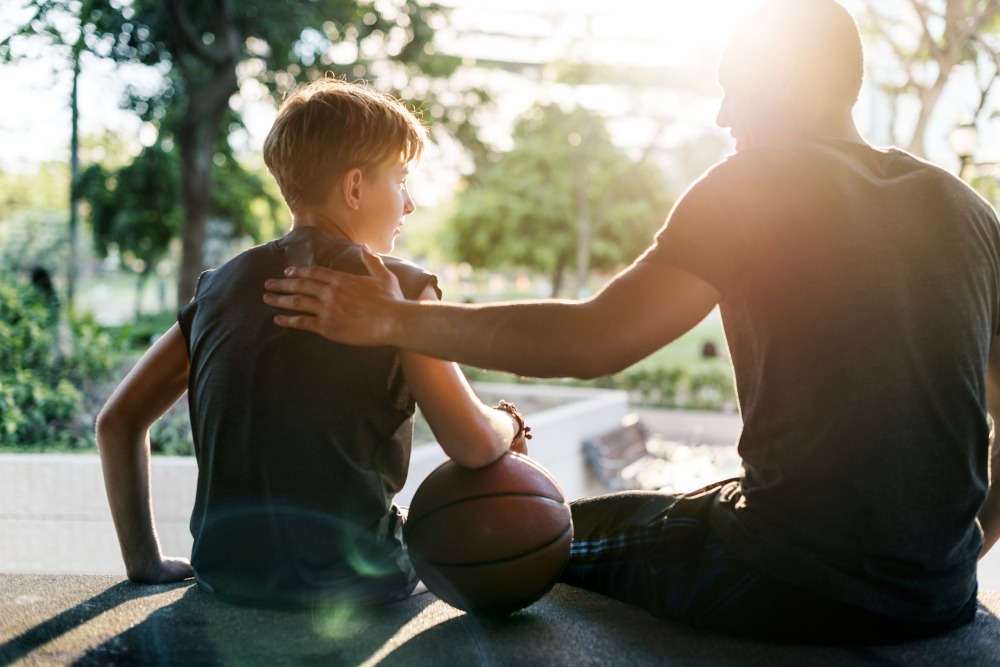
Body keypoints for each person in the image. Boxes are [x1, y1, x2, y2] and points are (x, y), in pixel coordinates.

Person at [262, 0, 1000, 644]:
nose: (722, 116)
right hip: (942, 595)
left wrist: (393, 320)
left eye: (732, 91)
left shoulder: (755, 181)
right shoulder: (968, 212)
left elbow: (594, 338)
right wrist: (960, 552)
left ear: (782, 80)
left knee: (525, 531)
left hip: (789, 577)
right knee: (641, 508)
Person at [96, 78, 528, 608]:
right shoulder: (403, 291)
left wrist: (145, 563)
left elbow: (117, 422)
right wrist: (509, 421)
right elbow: (473, 445)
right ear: (354, 188)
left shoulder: (217, 289)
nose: (410, 204)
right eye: (401, 180)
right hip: (354, 586)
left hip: (223, 577)